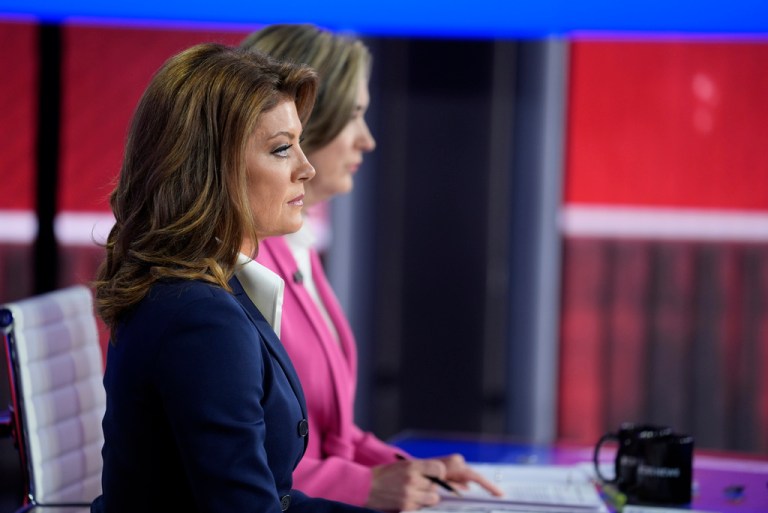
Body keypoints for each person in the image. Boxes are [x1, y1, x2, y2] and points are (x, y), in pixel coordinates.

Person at [91, 42, 382, 513]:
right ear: (209, 168)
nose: (305, 169)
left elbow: (272, 499)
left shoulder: (200, 292)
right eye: (282, 149)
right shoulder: (200, 318)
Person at [240, 25, 504, 511]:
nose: (368, 141)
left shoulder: (298, 248)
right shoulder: (245, 269)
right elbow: (246, 464)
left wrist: (411, 470)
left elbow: (332, 435)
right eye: (356, 116)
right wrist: (364, 486)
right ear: (306, 120)